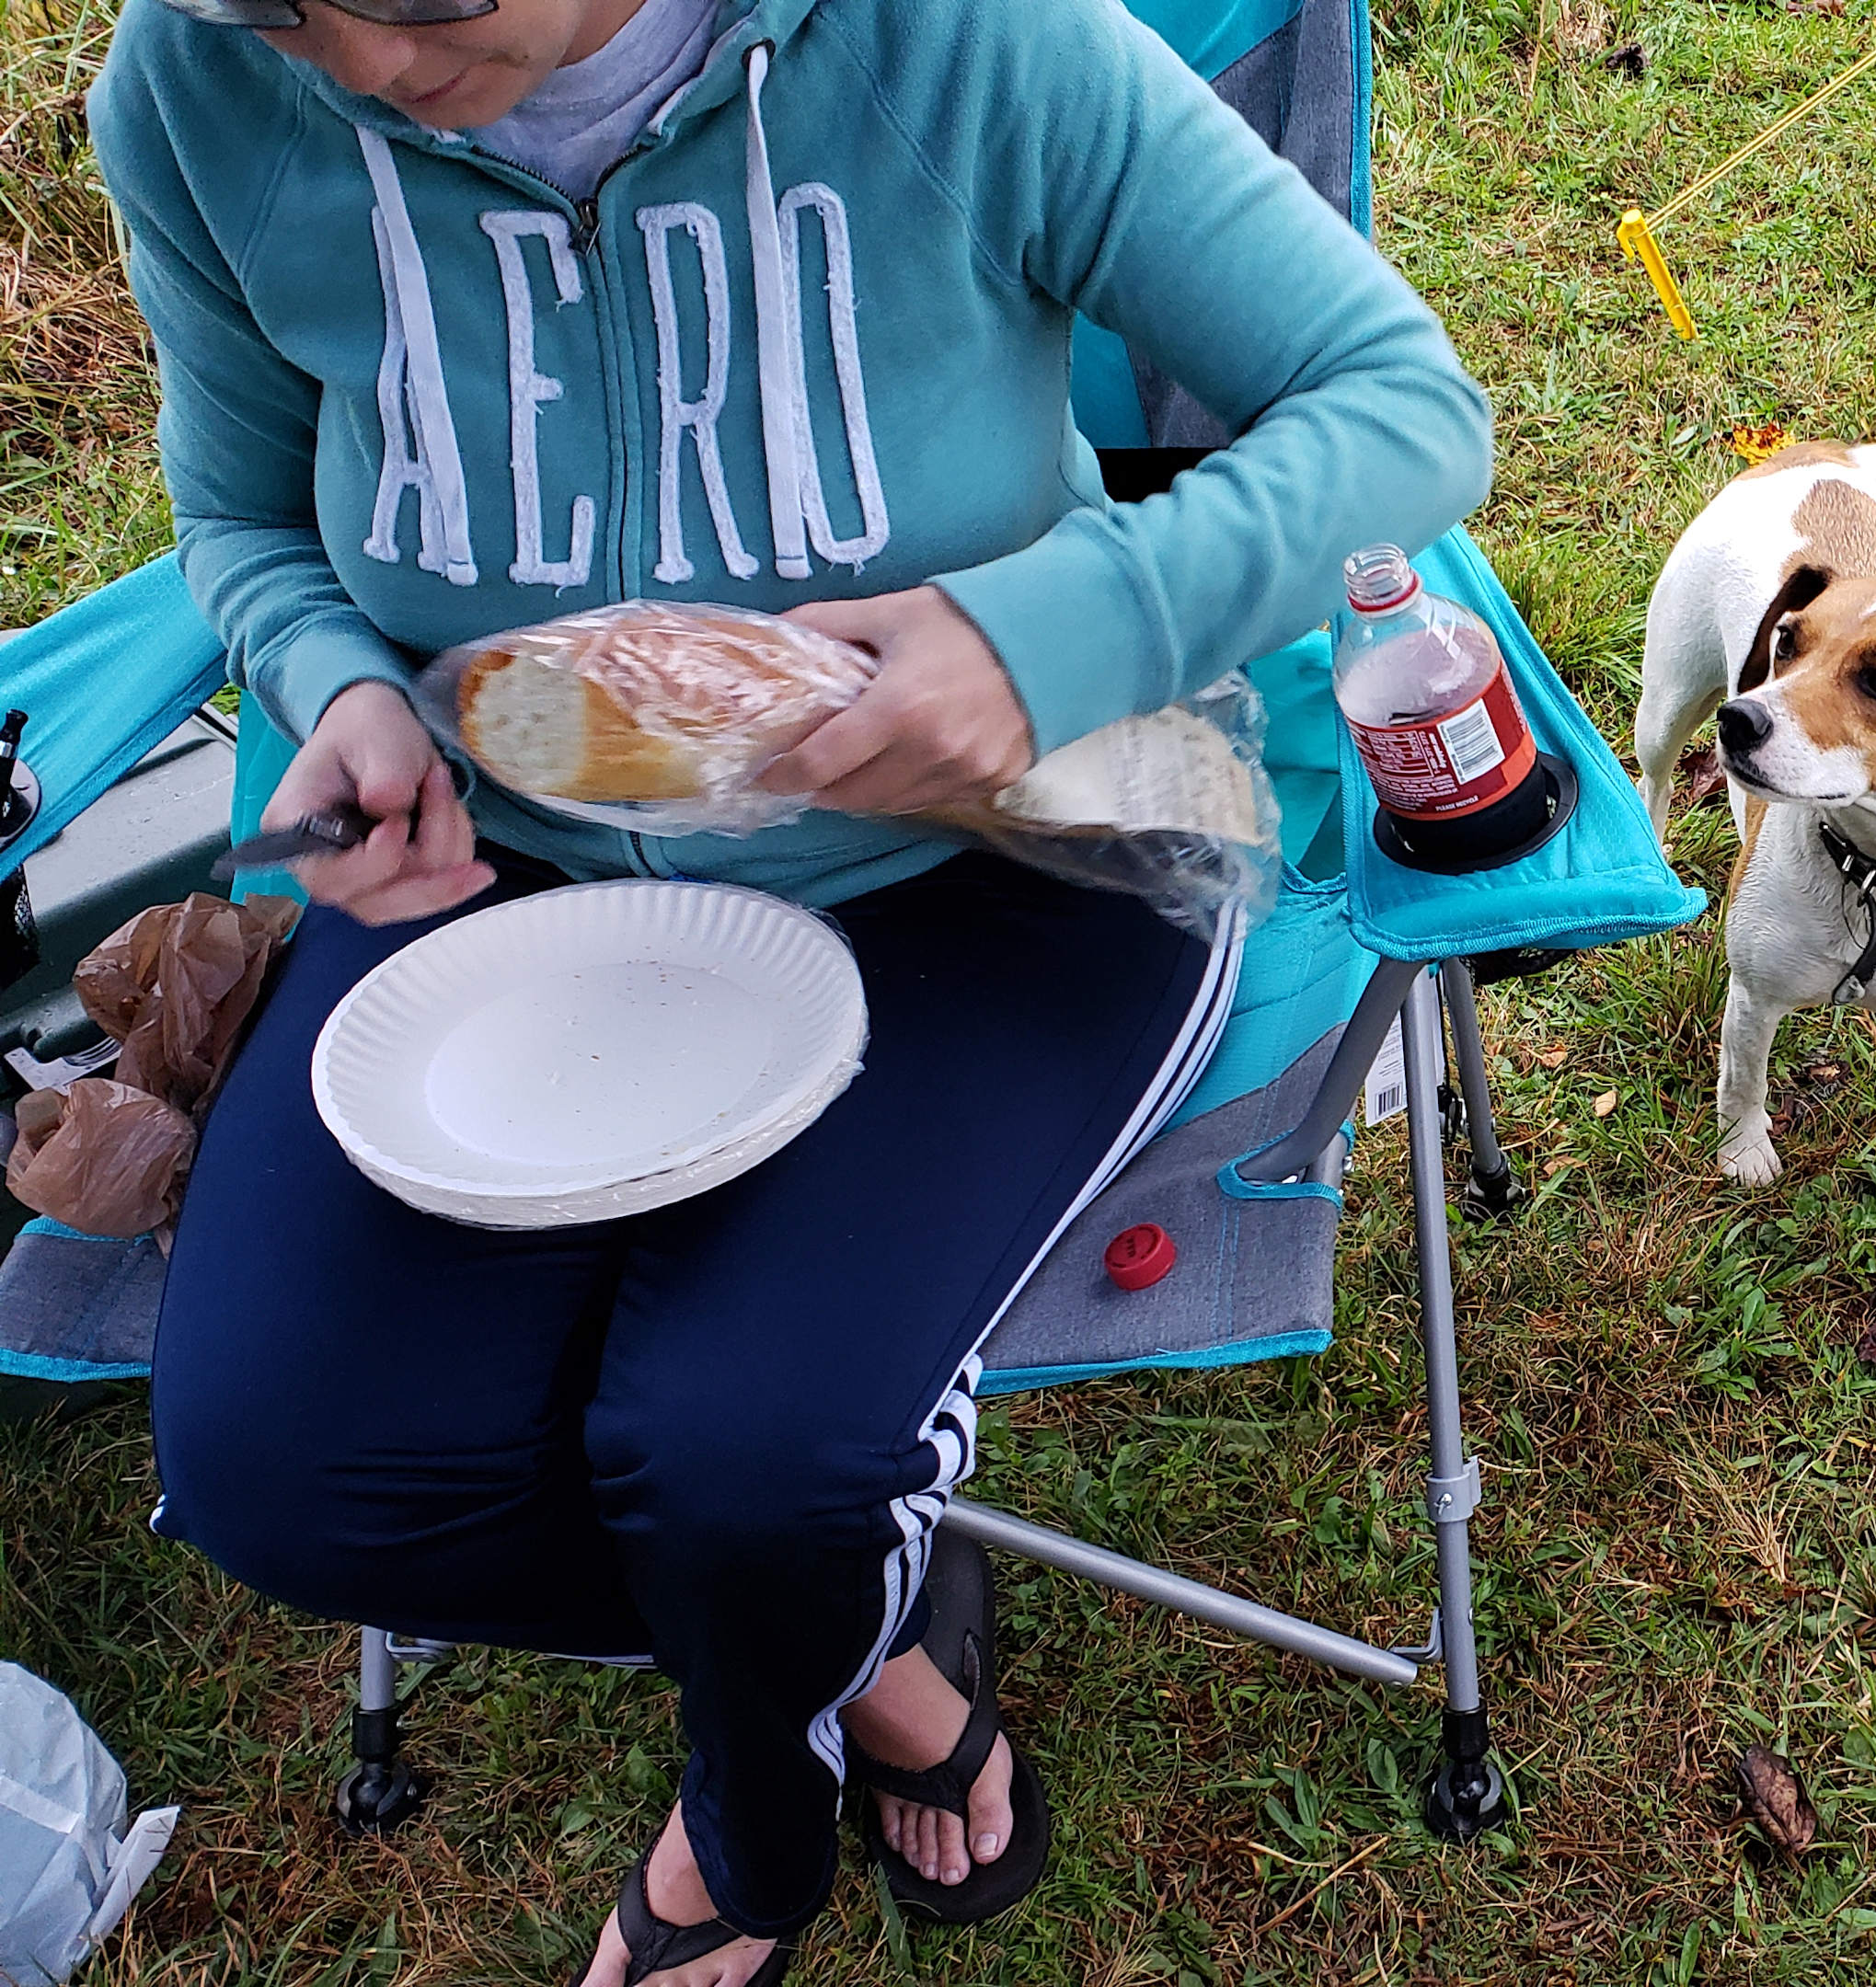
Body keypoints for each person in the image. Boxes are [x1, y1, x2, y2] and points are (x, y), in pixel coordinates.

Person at [88, 0, 1491, 1978]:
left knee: (747, 1462)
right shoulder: (196, 85)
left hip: (1003, 854)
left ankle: (753, 1817)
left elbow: (1403, 406)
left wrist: (1044, 637)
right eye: (289, 12)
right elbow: (241, 513)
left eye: (433, 5)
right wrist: (340, 693)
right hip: (523, 867)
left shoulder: (955, 41)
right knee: (279, 1473)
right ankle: (883, 1643)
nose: (370, 70)